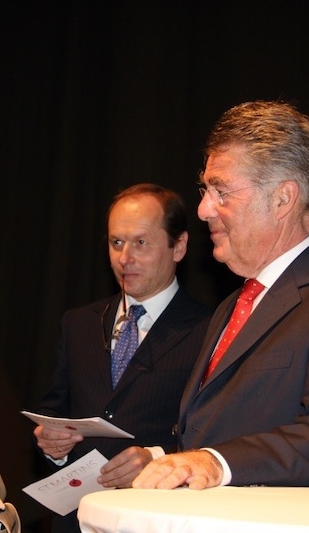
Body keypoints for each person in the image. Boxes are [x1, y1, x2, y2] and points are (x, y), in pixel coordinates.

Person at [132, 100, 309, 491]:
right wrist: (165, 460)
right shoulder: (231, 307)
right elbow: (211, 428)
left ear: (282, 199)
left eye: (221, 191)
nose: (205, 209)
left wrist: (214, 462)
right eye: (205, 190)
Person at [32, 183, 211, 532]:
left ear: (179, 246)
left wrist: (155, 457)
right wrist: (52, 443)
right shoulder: (79, 322)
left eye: (141, 243)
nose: (124, 257)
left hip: (157, 518)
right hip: (78, 518)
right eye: (116, 243)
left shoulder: (208, 330)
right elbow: (56, 409)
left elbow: (215, 437)